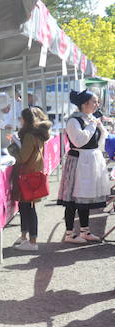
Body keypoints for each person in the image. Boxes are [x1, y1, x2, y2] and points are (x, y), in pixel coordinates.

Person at [56, 90, 110, 243]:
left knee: (84, 198)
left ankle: (85, 231)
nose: (97, 105)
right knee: (73, 199)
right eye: (94, 101)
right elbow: (79, 141)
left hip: (91, 160)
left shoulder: (90, 119)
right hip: (78, 161)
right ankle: (70, 234)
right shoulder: (74, 121)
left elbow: (100, 139)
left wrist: (99, 126)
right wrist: (93, 125)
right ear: (85, 104)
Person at [7, 107, 52, 251]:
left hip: (27, 176)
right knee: (26, 207)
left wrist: (12, 147)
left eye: (21, 118)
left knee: (28, 209)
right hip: (32, 175)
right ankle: (25, 237)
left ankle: (32, 242)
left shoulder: (29, 136)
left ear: (26, 120)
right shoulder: (39, 134)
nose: (20, 121)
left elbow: (22, 158)